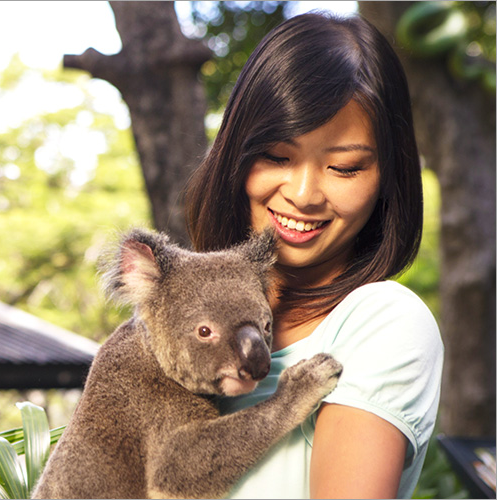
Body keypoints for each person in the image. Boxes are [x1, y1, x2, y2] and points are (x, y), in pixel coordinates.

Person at [184, 12, 444, 499]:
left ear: (387, 177)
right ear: (234, 156)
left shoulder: (383, 322)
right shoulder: (176, 319)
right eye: (278, 157)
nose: (304, 194)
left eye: (343, 167)